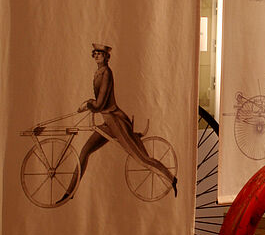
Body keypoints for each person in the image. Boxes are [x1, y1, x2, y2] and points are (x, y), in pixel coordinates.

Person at [58, 44, 177, 202]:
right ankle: (70, 192)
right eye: (96, 53)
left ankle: (171, 178)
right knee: (85, 151)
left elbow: (100, 104)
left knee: (142, 159)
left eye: (101, 53)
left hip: (116, 122)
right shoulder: (98, 72)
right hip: (107, 123)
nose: (97, 56)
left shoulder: (106, 73)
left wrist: (87, 104)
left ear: (106, 57)